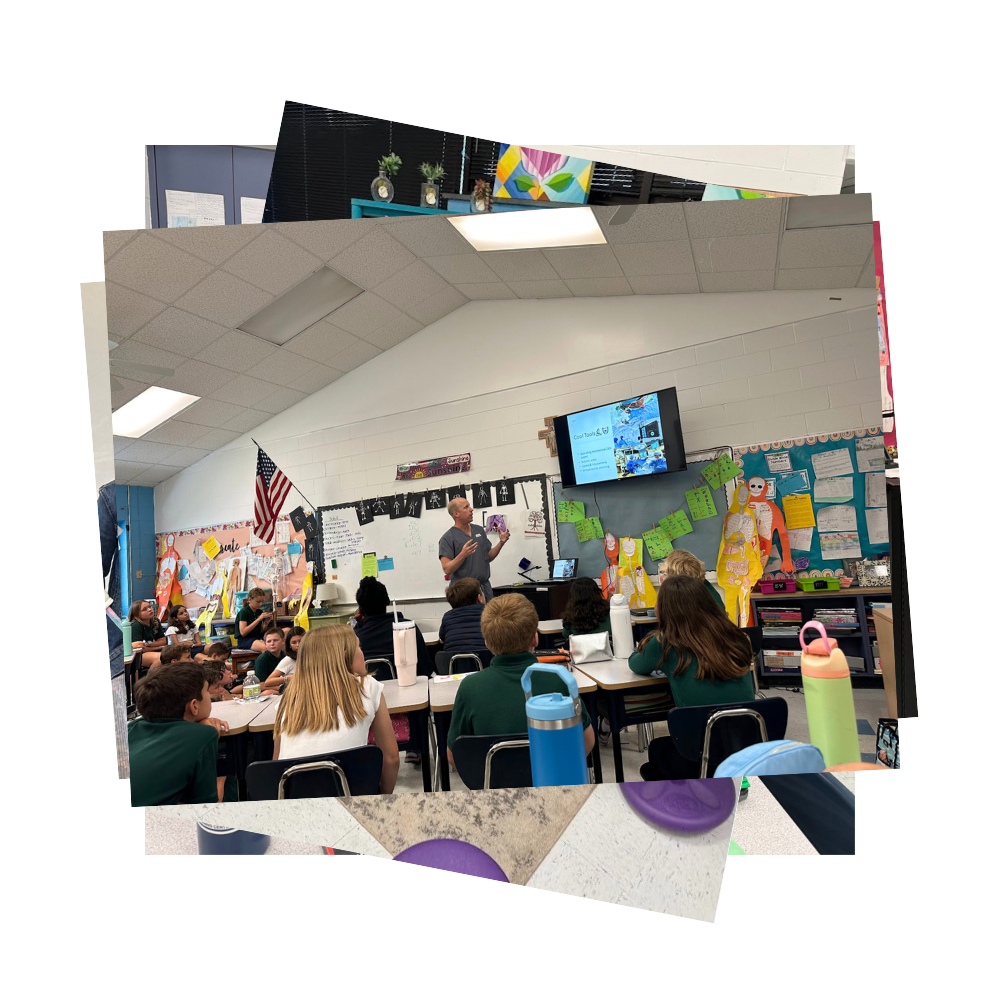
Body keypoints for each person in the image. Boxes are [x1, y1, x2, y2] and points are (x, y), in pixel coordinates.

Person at [447, 593, 596, 772]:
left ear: (487, 642)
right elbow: (587, 741)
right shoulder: (559, 679)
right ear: (535, 638)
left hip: (495, 790)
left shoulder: (469, 688)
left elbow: (454, 756)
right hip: (551, 785)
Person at [629, 576, 754, 780]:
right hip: (744, 748)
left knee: (656, 752)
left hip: (699, 753)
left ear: (665, 608)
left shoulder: (666, 642)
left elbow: (636, 664)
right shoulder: (735, 637)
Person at [272, 625, 400, 794]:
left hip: (296, 807)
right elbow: (391, 759)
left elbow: (276, 765)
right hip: (351, 801)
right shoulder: (367, 686)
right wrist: (383, 799)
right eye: (358, 647)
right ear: (345, 655)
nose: (362, 653)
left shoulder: (289, 699)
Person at [353, 577, 432, 764]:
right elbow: (426, 669)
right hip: (411, 706)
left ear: (361, 609)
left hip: (371, 707)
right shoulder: (408, 628)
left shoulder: (356, 638)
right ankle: (415, 746)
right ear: (387, 602)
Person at [128, 662, 230, 807]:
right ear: (194, 706)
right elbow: (206, 809)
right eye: (207, 690)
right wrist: (223, 773)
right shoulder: (203, 735)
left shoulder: (132, 727)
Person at [438, 497, 509, 602]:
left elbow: (488, 556)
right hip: (464, 592)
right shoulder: (448, 538)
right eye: (466, 507)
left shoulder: (479, 530)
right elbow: (447, 569)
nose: (471, 509)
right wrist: (462, 555)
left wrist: (501, 543)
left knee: (488, 618)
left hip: (485, 588)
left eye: (469, 506)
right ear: (456, 514)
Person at [439, 578, 487, 654]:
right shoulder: (491, 613)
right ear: (479, 598)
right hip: (487, 662)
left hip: (455, 664)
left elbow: (442, 637)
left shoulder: (447, 617)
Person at [129, 600, 166, 676]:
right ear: (137, 614)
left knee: (175, 653)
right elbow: (140, 648)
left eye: (149, 607)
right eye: (144, 609)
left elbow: (163, 641)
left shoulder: (155, 621)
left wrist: (148, 644)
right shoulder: (136, 625)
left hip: (151, 650)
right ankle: (149, 681)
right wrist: (158, 647)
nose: (150, 609)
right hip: (138, 655)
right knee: (160, 657)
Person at [262, 626, 305, 692]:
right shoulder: (288, 660)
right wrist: (287, 678)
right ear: (289, 645)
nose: (298, 645)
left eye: (300, 641)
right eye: (294, 642)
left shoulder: (311, 657)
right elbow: (268, 682)